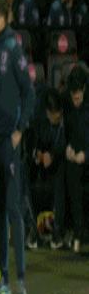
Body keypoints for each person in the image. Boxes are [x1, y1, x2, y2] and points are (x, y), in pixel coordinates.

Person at [0, 0, 35, 294]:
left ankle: (21, 282)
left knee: (14, 211)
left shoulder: (14, 49)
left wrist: (21, 129)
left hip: (10, 141)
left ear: (4, 18)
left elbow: (29, 92)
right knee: (1, 210)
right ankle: (4, 280)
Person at [28, 88, 66, 250]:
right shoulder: (38, 117)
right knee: (25, 173)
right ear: (47, 113)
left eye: (58, 117)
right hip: (41, 164)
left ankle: (57, 232)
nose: (55, 120)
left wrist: (53, 155)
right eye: (53, 117)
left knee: (61, 177)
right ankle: (32, 229)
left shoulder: (65, 121)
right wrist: (38, 153)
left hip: (59, 162)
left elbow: (65, 142)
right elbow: (33, 141)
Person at [63, 66, 89, 254]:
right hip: (76, 156)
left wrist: (86, 155)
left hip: (86, 154)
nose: (76, 101)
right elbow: (67, 131)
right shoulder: (67, 104)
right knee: (70, 174)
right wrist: (68, 148)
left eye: (78, 97)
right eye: (73, 98)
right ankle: (78, 232)